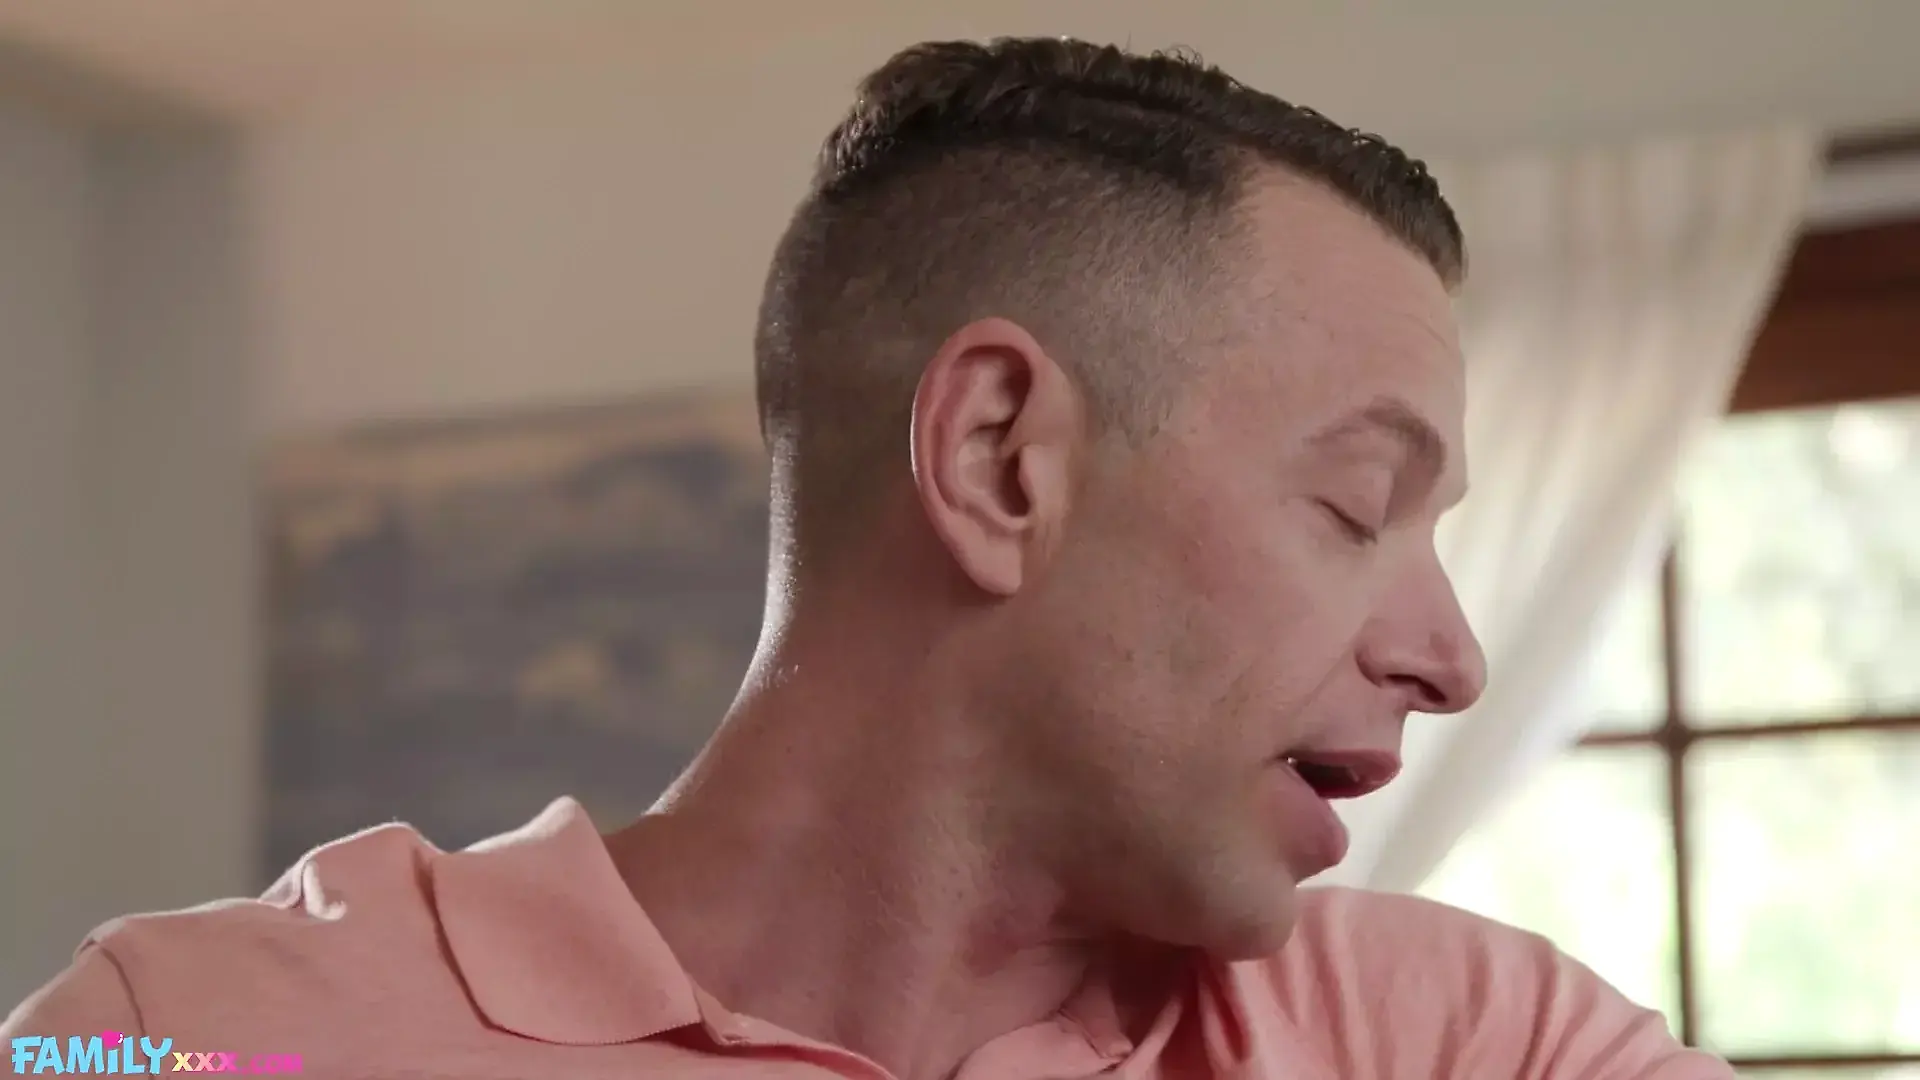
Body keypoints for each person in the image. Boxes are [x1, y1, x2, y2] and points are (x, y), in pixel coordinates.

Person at [4, 36, 1731, 1080]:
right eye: (1358, 506)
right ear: (997, 460)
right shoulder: (178, 1036)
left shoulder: (1467, 1043)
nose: (1453, 657)